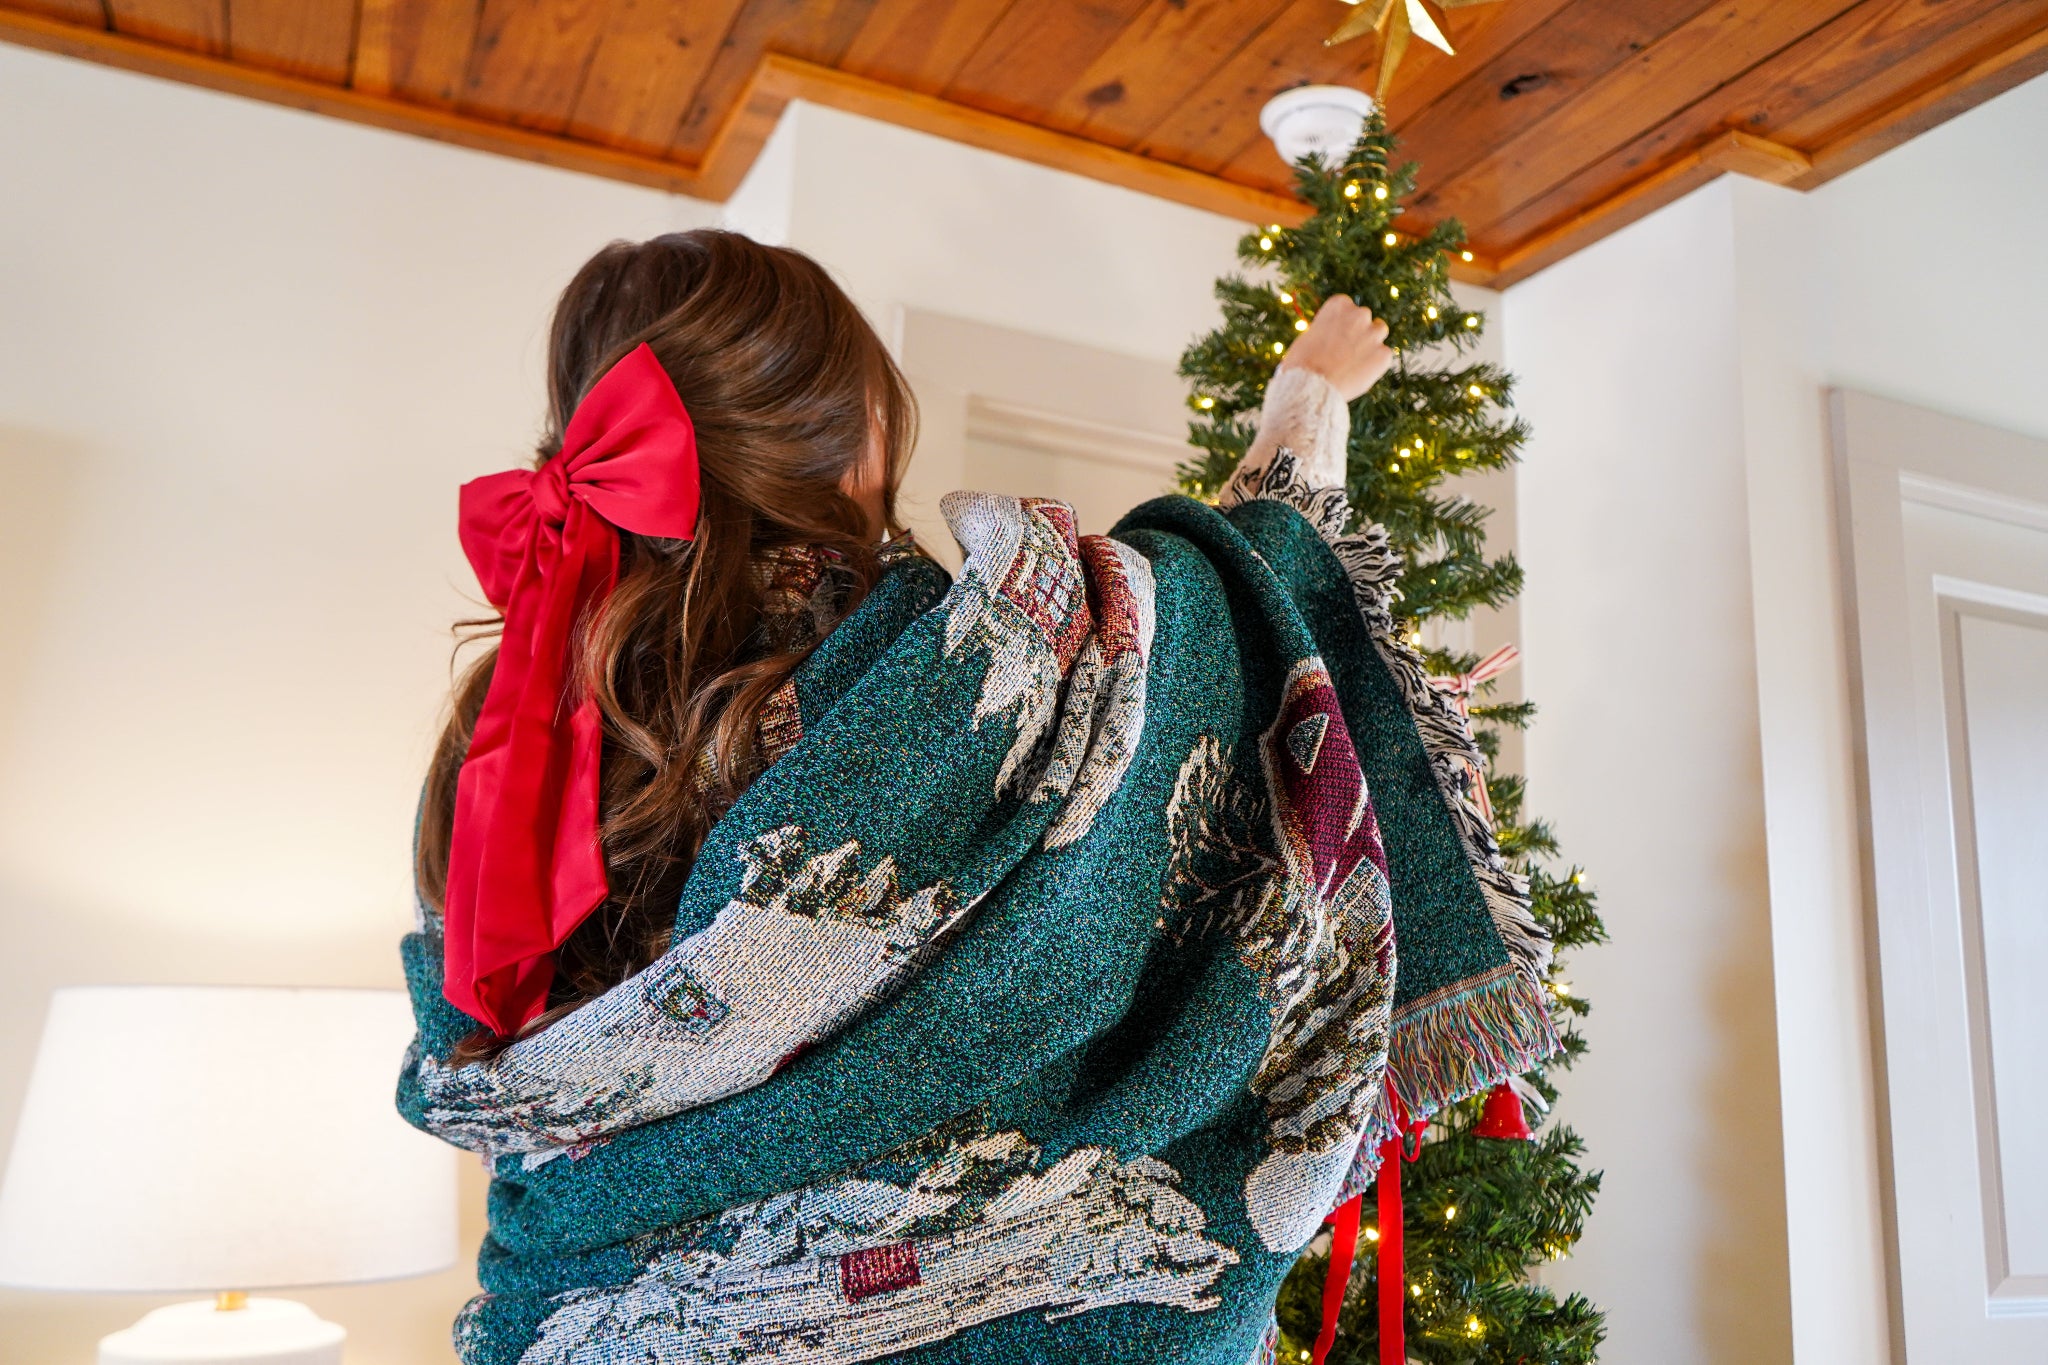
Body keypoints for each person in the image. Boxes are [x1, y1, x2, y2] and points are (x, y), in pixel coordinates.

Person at [398, 229, 1557, 1365]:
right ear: (848, 435)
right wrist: (1302, 405)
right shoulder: (911, 667)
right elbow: (1204, 653)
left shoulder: (500, 739)